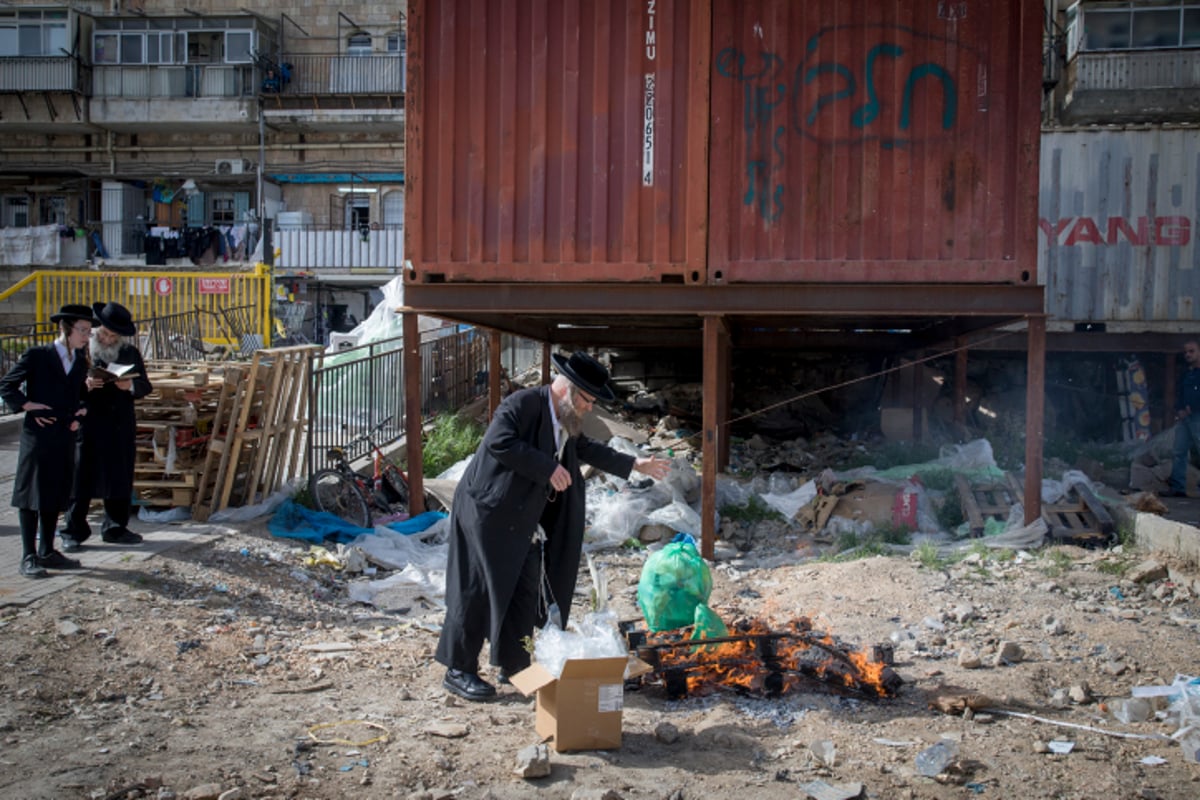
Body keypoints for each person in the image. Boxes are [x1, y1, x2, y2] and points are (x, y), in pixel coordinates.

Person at [435, 350, 671, 701]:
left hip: (522, 517)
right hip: (487, 511)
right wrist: (546, 467)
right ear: (568, 390)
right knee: (477, 589)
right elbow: (500, 443)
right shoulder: (522, 404)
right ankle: (459, 668)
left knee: (524, 585)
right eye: (588, 400)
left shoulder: (566, 417)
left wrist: (635, 464)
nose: (590, 408)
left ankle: (514, 664)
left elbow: (585, 448)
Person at [0, 305, 93, 578]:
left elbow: (80, 396)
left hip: (64, 434)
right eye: (82, 330)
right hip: (38, 435)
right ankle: (28, 554)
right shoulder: (38, 355)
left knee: (55, 491)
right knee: (32, 493)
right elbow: (7, 385)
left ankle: (47, 550)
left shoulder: (79, 362)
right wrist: (28, 405)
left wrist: (81, 413)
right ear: (66, 329)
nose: (86, 336)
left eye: (89, 331)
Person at [61, 302, 153, 551]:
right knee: (81, 477)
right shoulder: (82, 352)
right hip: (88, 423)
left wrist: (129, 387)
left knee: (118, 475)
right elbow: (65, 387)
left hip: (118, 423)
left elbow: (145, 385)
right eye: (104, 334)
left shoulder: (130, 353)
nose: (107, 339)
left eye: (113, 336)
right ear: (96, 330)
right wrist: (86, 384)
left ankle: (115, 527)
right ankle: (73, 530)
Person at [1167, 338, 1200, 498]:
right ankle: (1178, 487)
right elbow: (1181, 394)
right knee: (1179, 451)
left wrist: (1192, 408)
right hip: (1184, 418)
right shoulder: (1188, 373)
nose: (1188, 354)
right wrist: (1179, 409)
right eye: (1186, 352)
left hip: (1198, 417)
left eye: (1192, 351)